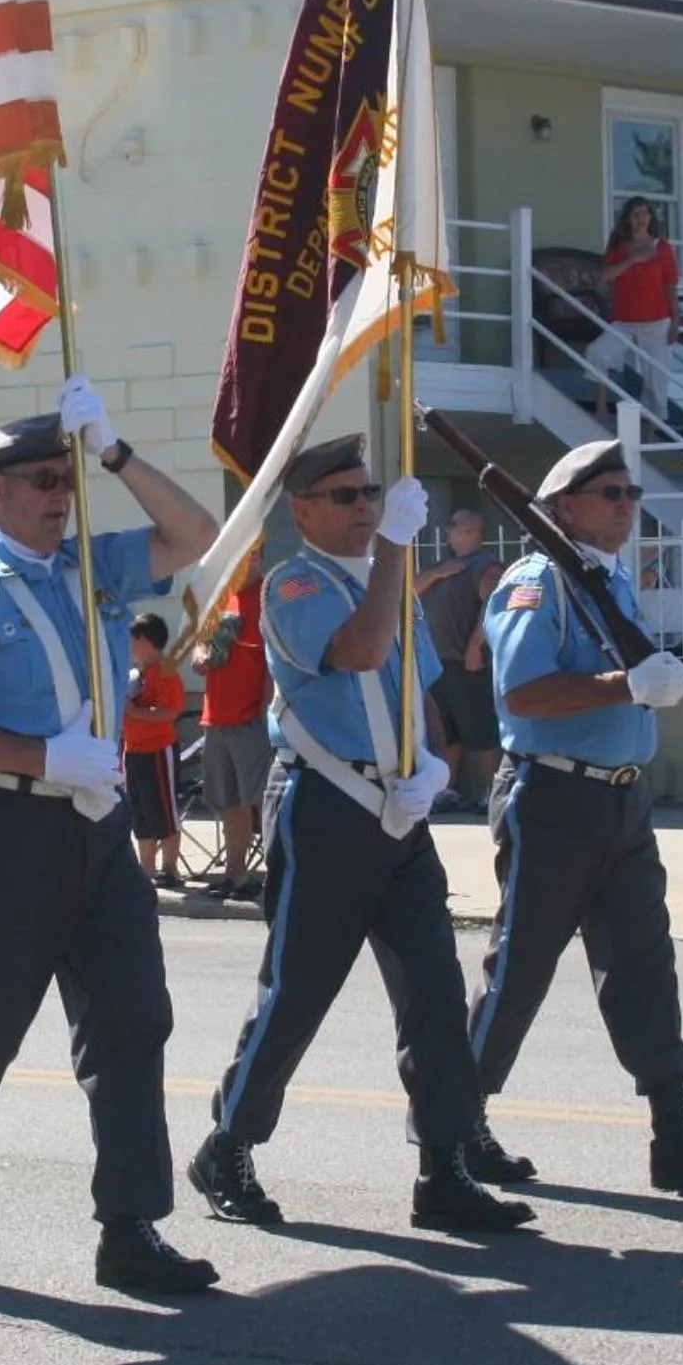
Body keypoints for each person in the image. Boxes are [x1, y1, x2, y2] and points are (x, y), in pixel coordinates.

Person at [0, 378, 222, 1294]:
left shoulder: (98, 565)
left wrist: (115, 450)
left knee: (131, 1023)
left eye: (63, 476)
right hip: (1, 827)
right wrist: (40, 757)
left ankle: (130, 1227)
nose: (56, 494)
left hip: (97, 830)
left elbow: (199, 536)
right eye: (37, 479)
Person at [186, 435, 534, 1238]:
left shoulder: (390, 577)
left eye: (369, 493)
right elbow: (362, 649)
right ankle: (229, 1144)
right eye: (344, 496)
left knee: (435, 995)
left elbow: (420, 683)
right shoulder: (295, 581)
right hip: (326, 806)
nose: (364, 507)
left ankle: (443, 1166)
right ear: (302, 509)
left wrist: (436, 765)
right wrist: (392, 552)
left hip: (401, 809)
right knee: (299, 990)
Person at [452, 440, 683, 1197]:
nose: (628, 505)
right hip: (554, 796)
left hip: (622, 799)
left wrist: (637, 686)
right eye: (610, 493)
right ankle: (455, 1127)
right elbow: (524, 695)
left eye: (631, 493)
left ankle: (675, 1131)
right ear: (563, 505)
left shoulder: (608, 579)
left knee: (643, 967)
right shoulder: (537, 585)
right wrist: (625, 685)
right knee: (520, 967)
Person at [414, 508, 501, 811]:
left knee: (480, 730)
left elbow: (491, 607)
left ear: (472, 531)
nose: (448, 531)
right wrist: (436, 574)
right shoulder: (440, 566)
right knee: (445, 732)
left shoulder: (486, 566)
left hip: (468, 663)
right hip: (437, 663)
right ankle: (446, 791)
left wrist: (476, 645)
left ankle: (494, 790)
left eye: (454, 526)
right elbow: (408, 593)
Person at [194, 569, 270, 900]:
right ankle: (235, 875)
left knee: (264, 802)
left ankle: (284, 874)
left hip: (251, 718)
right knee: (230, 802)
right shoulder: (222, 593)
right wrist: (198, 652)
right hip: (216, 716)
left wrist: (267, 717)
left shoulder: (269, 595)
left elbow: (272, 663)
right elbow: (201, 637)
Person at [599, 195, 681, 416]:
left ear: (651, 217)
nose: (640, 219)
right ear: (627, 219)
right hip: (624, 320)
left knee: (656, 380)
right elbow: (605, 277)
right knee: (597, 354)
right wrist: (633, 260)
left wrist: (676, 321)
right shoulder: (619, 247)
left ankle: (652, 433)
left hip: (656, 319)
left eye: (645, 214)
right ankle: (600, 409)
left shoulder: (662, 248)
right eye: (635, 215)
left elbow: (670, 285)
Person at [123, 612, 186, 888]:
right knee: (141, 813)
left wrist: (135, 711)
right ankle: (145, 870)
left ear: (146, 640)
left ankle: (170, 869)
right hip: (133, 750)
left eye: (132, 639)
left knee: (164, 811)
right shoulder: (137, 673)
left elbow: (170, 711)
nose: (128, 645)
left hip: (158, 750)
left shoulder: (166, 670)